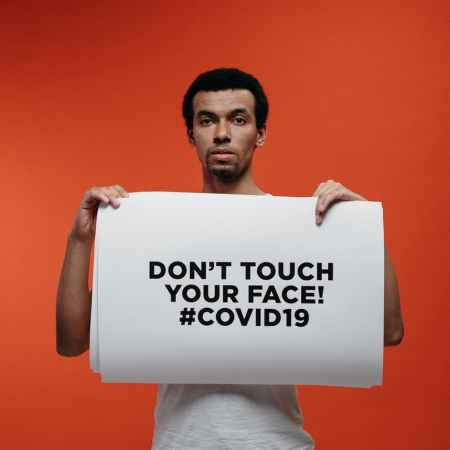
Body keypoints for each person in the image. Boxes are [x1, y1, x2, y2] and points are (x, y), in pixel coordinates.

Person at [56, 68, 404, 449]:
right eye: (207, 120)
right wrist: (80, 239)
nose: (222, 133)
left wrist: (365, 228)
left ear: (261, 133)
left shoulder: (301, 228)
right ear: (192, 134)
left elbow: (388, 331)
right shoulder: (157, 230)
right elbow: (72, 341)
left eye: (238, 119)